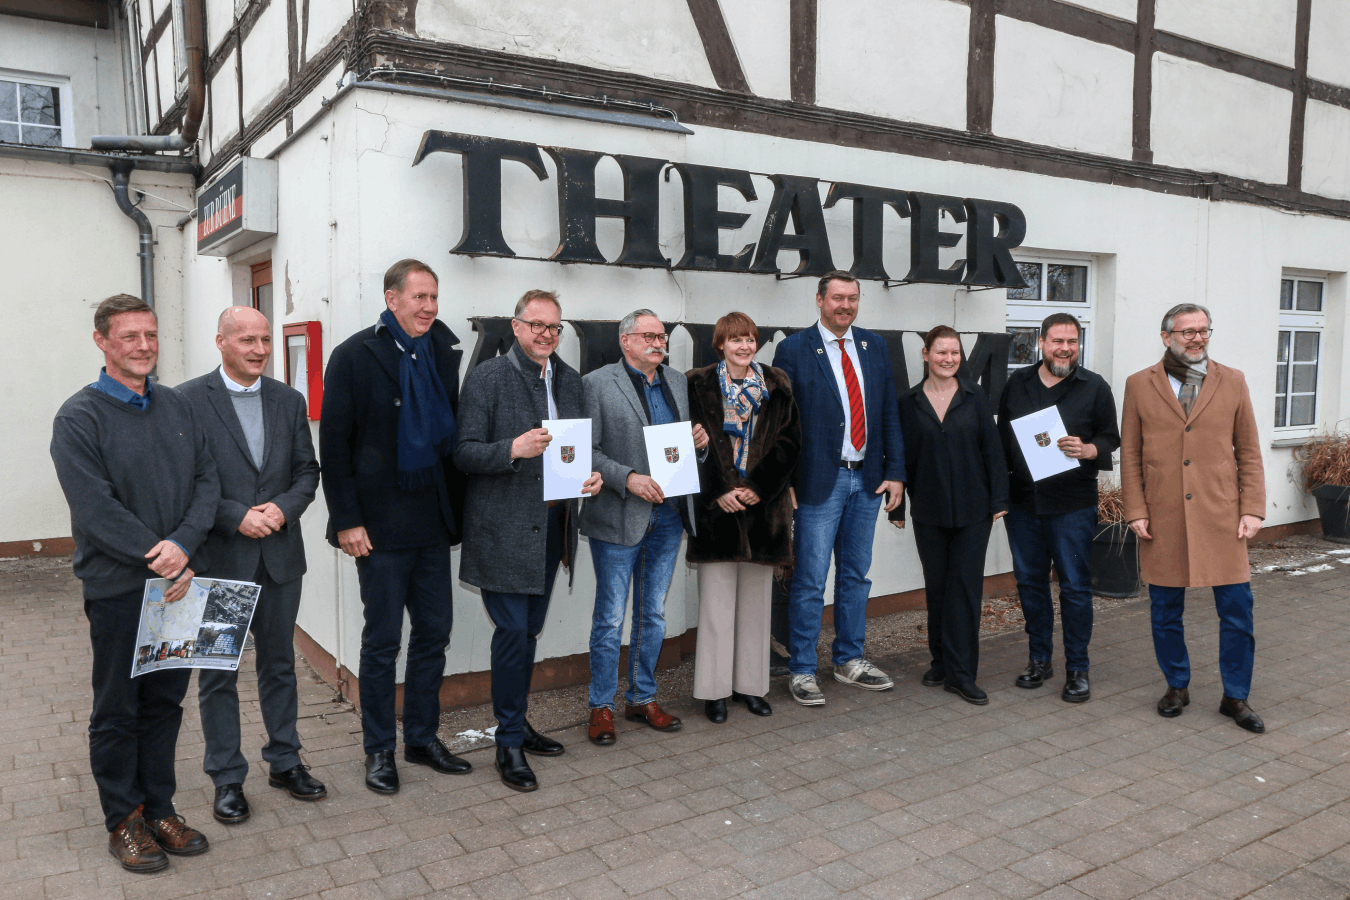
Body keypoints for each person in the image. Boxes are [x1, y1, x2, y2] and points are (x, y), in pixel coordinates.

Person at [51, 294, 219, 872]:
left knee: (166, 703)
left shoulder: (177, 407)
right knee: (118, 709)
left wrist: (185, 546)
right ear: (102, 341)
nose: (144, 346)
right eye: (130, 336)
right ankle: (124, 819)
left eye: (150, 335)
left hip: (177, 585)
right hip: (121, 590)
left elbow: (207, 481)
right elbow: (95, 509)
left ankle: (160, 808)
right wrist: (164, 556)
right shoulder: (79, 418)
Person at [320, 259, 472, 794]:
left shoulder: (441, 352)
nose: (429, 307)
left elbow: (452, 440)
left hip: (431, 522)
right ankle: (379, 749)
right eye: (419, 297)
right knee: (382, 642)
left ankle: (422, 739)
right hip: (378, 529)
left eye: (434, 297)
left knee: (434, 634)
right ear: (392, 300)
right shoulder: (354, 355)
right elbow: (334, 445)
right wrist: (347, 521)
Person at [178, 307, 325, 824]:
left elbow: (308, 470)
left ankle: (285, 761)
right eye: (247, 340)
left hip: (281, 557)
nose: (260, 349)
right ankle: (226, 777)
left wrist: (283, 508)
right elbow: (186, 485)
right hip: (221, 558)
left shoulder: (288, 400)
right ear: (220, 341)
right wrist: (235, 516)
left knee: (279, 664)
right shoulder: (189, 401)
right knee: (218, 670)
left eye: (265, 339)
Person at [453, 290, 601, 791]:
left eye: (555, 328)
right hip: (503, 533)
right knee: (514, 634)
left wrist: (589, 480)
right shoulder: (488, 377)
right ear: (515, 327)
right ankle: (509, 743)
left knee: (527, 633)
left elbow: (578, 453)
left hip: (552, 531)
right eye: (536, 325)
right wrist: (512, 449)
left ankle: (515, 723)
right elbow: (464, 453)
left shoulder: (571, 381)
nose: (546, 335)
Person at [1120, 303, 1266, 732]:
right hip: (1163, 516)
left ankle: (1236, 696)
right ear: (1166, 337)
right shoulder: (1138, 384)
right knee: (1165, 610)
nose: (1198, 338)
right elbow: (1130, 453)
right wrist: (1135, 509)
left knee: (1238, 611)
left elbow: (1250, 451)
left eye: (1204, 331)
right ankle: (1177, 685)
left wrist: (1253, 507)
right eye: (1187, 332)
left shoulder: (1232, 380)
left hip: (1222, 516)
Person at [771, 271, 905, 707]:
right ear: (819, 301)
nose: (845, 306)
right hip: (818, 483)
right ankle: (803, 669)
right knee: (810, 580)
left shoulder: (874, 346)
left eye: (852, 298)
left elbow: (888, 412)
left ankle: (850, 660)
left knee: (854, 576)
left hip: (866, 480)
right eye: (837, 298)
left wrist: (897, 472)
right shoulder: (793, 350)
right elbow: (782, 423)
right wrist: (786, 481)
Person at [581, 308, 709, 744]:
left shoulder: (676, 382)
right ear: (626, 341)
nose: (659, 342)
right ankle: (601, 706)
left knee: (652, 614)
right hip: (618, 515)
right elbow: (587, 452)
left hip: (669, 516)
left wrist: (700, 444)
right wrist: (627, 478)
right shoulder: (597, 383)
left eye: (663, 335)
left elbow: (680, 451)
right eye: (650, 335)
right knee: (611, 617)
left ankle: (641, 697)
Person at [685, 312, 801, 722]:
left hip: (763, 510)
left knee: (755, 607)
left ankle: (750, 688)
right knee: (716, 608)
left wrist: (757, 488)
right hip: (718, 511)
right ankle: (714, 693)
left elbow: (790, 442)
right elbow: (690, 445)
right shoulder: (695, 383)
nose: (744, 346)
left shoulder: (777, 383)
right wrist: (720, 491)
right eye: (735, 340)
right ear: (721, 344)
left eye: (750, 339)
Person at [997, 313, 1119, 703]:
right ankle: (1040, 660)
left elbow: (1111, 437)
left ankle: (1078, 670)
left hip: (1071, 505)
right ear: (1041, 343)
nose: (1064, 348)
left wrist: (1087, 449)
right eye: (1057, 341)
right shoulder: (1017, 384)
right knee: (1030, 584)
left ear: (1078, 344)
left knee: (1075, 588)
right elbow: (1000, 442)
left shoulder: (1095, 387)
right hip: (1023, 505)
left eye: (1072, 341)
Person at [896, 325, 1009, 706]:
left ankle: (962, 675)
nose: (948, 360)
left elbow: (993, 451)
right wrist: (897, 507)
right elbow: (900, 459)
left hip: (973, 512)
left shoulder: (975, 397)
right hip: (928, 510)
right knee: (938, 588)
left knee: (964, 590)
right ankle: (941, 661)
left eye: (955, 353)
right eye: (941, 352)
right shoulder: (908, 402)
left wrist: (999, 500)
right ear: (925, 354)